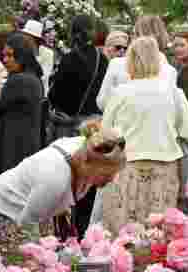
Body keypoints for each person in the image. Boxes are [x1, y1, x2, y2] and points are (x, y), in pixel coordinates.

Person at [101, 37, 188, 232]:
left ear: (131, 60)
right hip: (164, 165)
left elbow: (105, 132)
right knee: (159, 232)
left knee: (125, 230)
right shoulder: (173, 92)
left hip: (127, 164)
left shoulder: (121, 92)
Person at [0, 120, 126, 244]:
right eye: (106, 174)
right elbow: (26, 228)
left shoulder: (90, 147)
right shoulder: (55, 177)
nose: (111, 179)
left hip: (37, 212)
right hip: (6, 207)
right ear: (87, 164)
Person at [47, 15, 109, 233]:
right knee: (89, 179)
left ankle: (63, 230)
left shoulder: (69, 59)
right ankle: (84, 227)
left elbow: (55, 95)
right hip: (94, 126)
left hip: (68, 125)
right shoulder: (103, 60)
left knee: (65, 179)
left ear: (73, 33)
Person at [0, 34, 44, 181]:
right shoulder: (34, 78)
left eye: (10, 55)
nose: (5, 60)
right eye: (4, 55)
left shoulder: (18, 81)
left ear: (22, 55)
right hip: (29, 144)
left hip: (12, 146)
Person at [96, 15, 177, 112]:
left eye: (134, 34)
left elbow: (102, 102)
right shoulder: (168, 69)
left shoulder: (117, 64)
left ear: (139, 36)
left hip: (123, 122)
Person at [20, 20, 55, 93]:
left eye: (27, 36)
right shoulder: (22, 51)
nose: (24, 39)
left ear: (35, 38)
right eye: (24, 35)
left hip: (39, 93)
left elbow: (43, 76)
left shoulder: (48, 53)